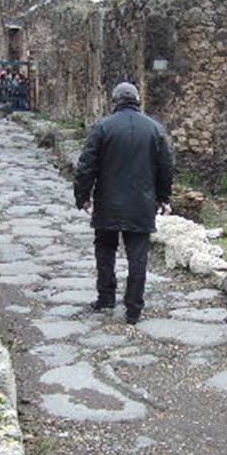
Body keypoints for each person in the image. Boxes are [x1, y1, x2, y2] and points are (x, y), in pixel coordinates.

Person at [74, 82, 173, 324]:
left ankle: (106, 297)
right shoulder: (155, 129)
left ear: (115, 101)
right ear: (137, 100)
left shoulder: (103, 127)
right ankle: (134, 308)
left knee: (105, 250)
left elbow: (86, 166)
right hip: (142, 202)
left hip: (108, 201)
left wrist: (83, 196)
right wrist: (163, 197)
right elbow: (166, 167)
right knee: (138, 256)